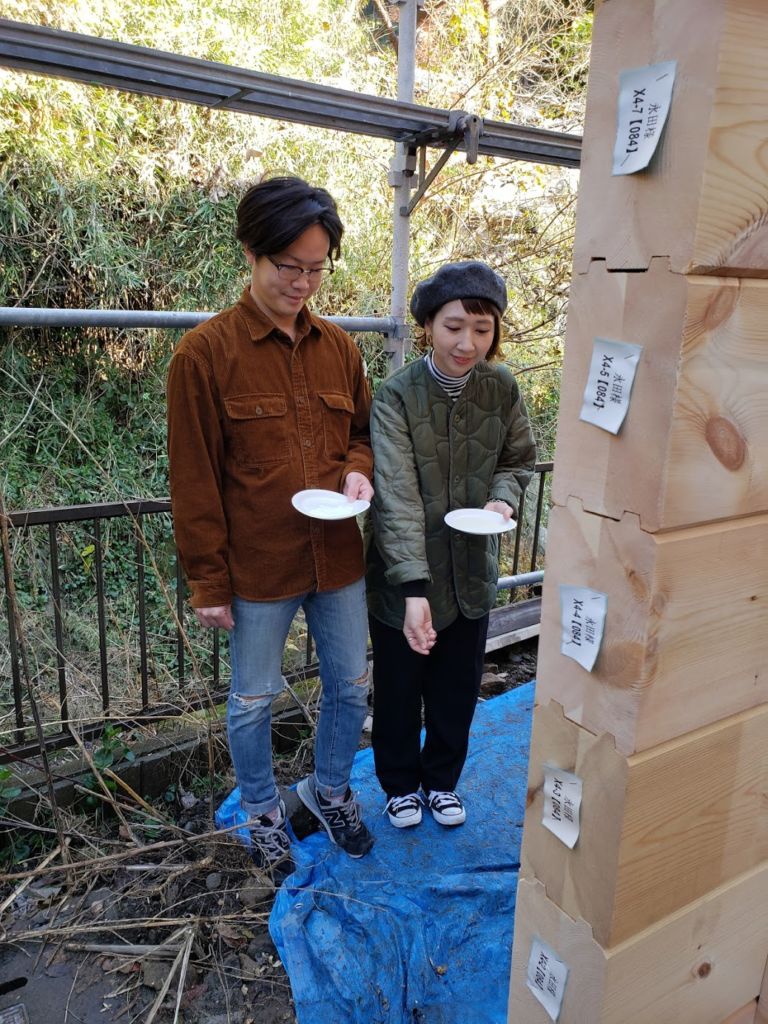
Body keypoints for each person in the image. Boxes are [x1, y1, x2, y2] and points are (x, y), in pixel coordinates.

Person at [167, 176, 375, 875]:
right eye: (289, 266)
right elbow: (194, 478)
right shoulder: (204, 354)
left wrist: (357, 471)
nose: (303, 283)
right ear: (251, 254)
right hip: (258, 564)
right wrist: (208, 581)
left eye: (316, 269)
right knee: (253, 699)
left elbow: (362, 435)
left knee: (351, 684)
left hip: (337, 555)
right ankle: (261, 810)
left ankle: (330, 790)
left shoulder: (340, 348)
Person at [366, 261, 536, 829]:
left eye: (482, 329)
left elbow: (517, 459)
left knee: (456, 688)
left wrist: (503, 499)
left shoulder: (501, 388)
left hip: (472, 571)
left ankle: (440, 782)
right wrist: (413, 588)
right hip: (403, 576)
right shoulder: (396, 396)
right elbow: (395, 496)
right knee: (399, 687)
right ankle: (399, 786)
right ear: (428, 327)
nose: (468, 343)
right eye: (454, 327)